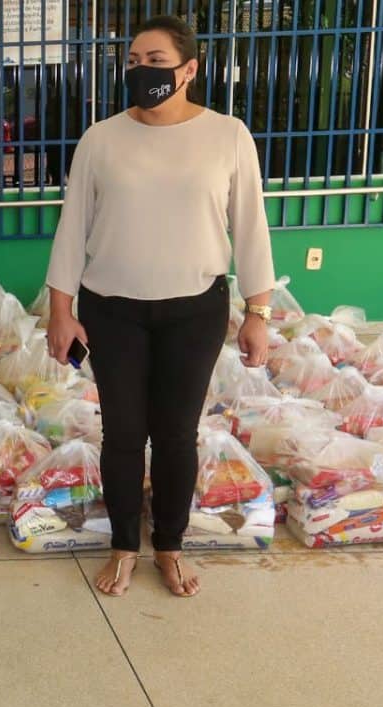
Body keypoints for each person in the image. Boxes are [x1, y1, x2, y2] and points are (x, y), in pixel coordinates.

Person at [45, 16, 275, 598]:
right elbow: (72, 229)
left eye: (155, 61)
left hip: (194, 311)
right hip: (112, 310)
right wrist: (60, 309)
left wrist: (258, 312)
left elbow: (251, 227)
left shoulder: (228, 136)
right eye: (133, 61)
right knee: (122, 434)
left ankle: (169, 547)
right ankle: (124, 546)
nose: (140, 70)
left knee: (176, 434)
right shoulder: (101, 139)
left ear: (189, 69)